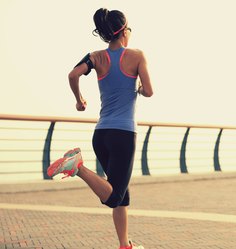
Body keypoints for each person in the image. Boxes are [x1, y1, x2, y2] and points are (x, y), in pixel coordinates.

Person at [47, 8, 153, 249]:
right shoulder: (136, 55)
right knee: (114, 195)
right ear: (124, 30)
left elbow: (73, 75)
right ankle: (78, 167)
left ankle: (125, 245)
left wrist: (79, 100)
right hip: (124, 134)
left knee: (121, 194)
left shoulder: (95, 57)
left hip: (102, 134)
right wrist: (137, 89)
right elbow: (149, 90)